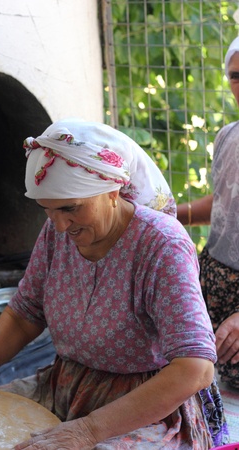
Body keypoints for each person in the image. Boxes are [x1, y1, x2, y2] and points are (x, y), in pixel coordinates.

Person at [0, 119, 229, 449]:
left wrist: (87, 431)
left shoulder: (162, 245)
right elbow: (24, 314)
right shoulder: (56, 233)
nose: (60, 226)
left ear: (112, 191)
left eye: (70, 209)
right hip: (66, 384)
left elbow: (195, 369)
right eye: (48, 211)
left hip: (148, 406)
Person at [177, 35, 239, 390]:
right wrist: (167, 214)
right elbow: (224, 204)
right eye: (235, 75)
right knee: (191, 365)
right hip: (215, 282)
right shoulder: (228, 137)